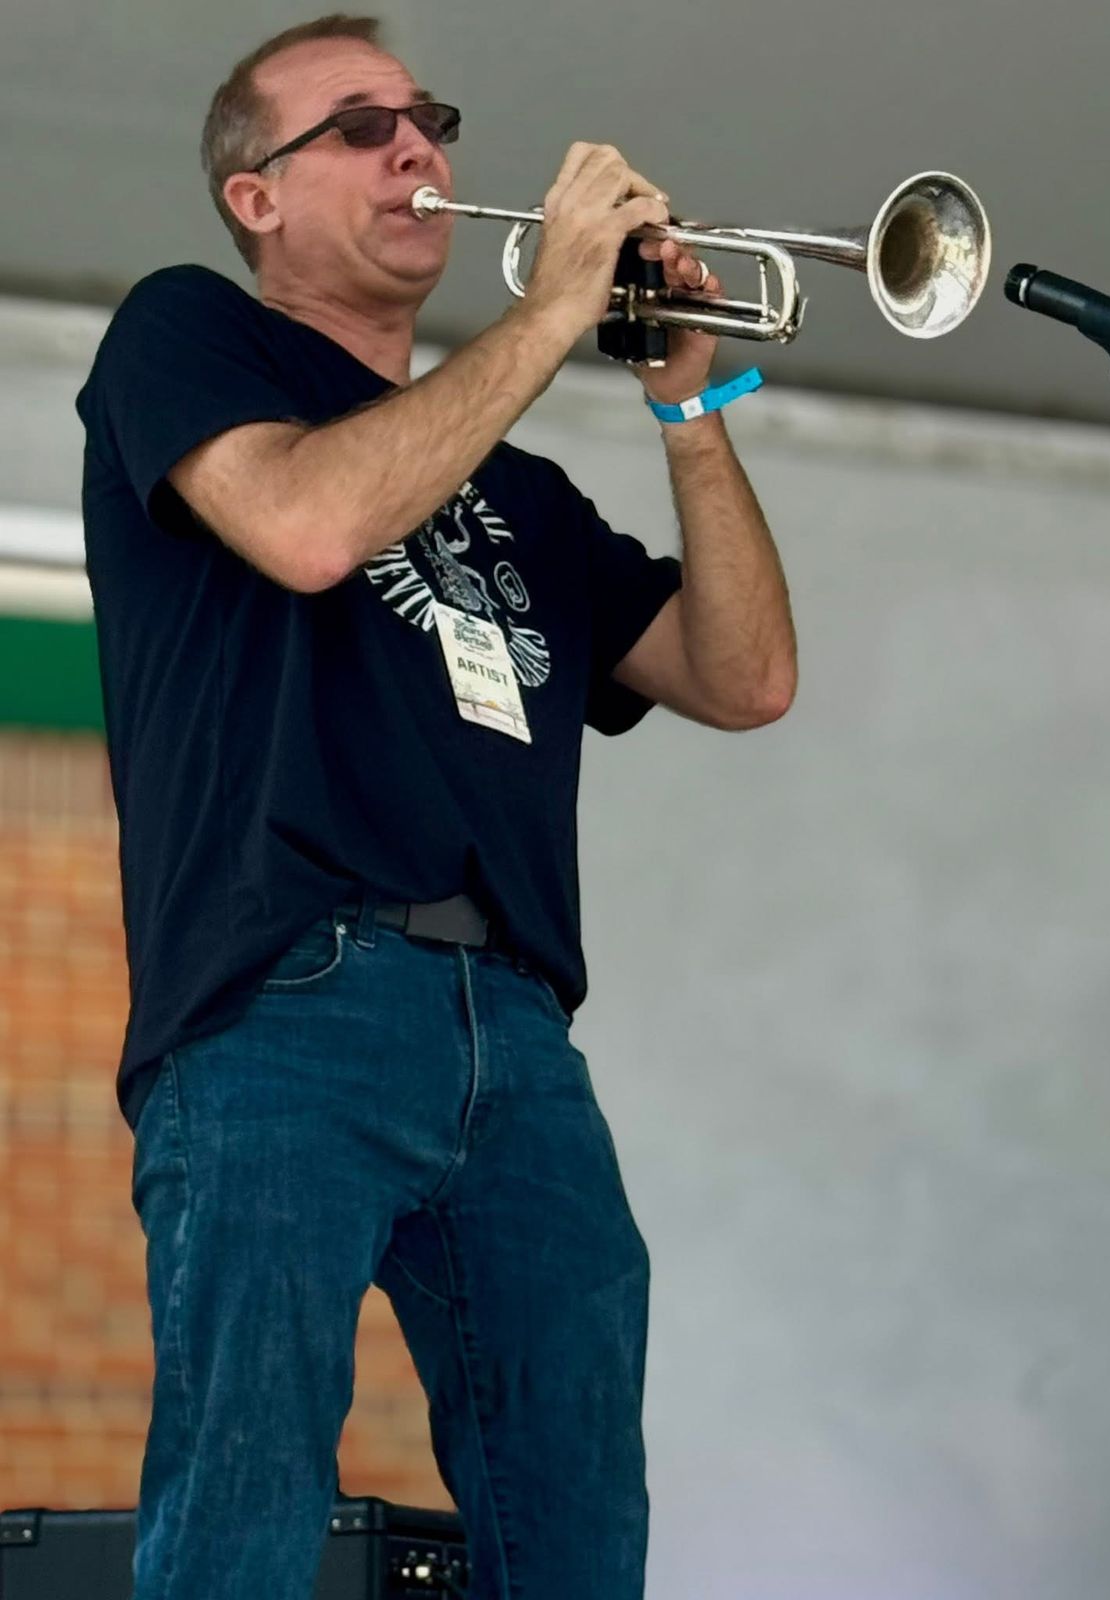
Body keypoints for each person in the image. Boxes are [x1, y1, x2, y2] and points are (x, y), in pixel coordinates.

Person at [74, 13, 796, 1599]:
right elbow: (307, 526)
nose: (418, 148)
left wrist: (689, 400)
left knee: (579, 1520)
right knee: (244, 1515)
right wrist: (547, 315)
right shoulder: (187, 333)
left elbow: (746, 677)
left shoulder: (525, 495)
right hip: (285, 998)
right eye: (359, 127)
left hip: (518, 1033)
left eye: (428, 120)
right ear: (257, 197)